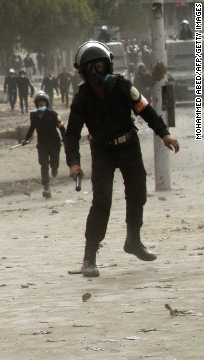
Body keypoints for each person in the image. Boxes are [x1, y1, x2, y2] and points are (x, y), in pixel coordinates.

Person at [65, 41, 180, 278]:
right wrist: (73, 162)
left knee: (137, 192)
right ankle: (89, 257)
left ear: (108, 66)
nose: (96, 72)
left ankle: (133, 241)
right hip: (102, 151)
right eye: (90, 67)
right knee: (102, 201)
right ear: (83, 72)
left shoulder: (123, 86)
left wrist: (164, 133)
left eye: (100, 65)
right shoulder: (82, 98)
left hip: (128, 145)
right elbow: (72, 134)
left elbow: (146, 111)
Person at [21, 91, 66, 199]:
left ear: (47, 103)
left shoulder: (54, 115)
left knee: (54, 163)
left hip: (54, 143)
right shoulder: (34, 116)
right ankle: (46, 187)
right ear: (37, 104)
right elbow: (32, 128)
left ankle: (55, 168)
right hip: (42, 144)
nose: (41, 105)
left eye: (43, 103)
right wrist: (26, 139)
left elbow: (61, 127)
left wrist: (65, 139)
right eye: (39, 103)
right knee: (44, 164)